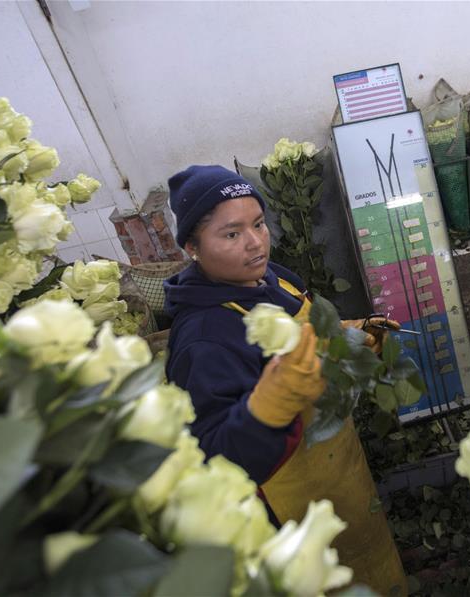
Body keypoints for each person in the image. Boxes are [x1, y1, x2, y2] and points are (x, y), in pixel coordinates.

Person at [164, 165, 407, 594]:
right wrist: (274, 399)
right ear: (192, 247)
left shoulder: (272, 280)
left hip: (339, 475)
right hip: (289, 508)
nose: (256, 242)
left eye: (258, 224)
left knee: (372, 568)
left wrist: (349, 336)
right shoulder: (204, 340)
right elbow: (218, 462)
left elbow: (309, 335)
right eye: (231, 234)